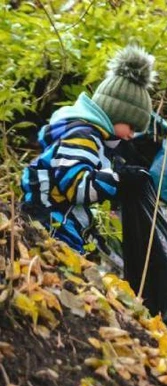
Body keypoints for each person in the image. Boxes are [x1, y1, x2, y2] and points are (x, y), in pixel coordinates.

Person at [20, 44, 155, 254]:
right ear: (116, 112)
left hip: (63, 223)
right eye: (132, 126)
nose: (131, 135)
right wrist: (119, 178)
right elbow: (77, 188)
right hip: (50, 222)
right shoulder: (82, 137)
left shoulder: (95, 139)